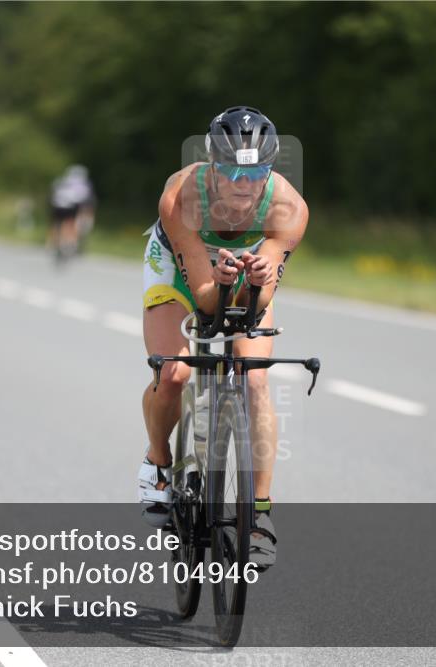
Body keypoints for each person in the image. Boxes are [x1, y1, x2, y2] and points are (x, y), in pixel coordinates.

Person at [139, 106, 309, 569]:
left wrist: (256, 279)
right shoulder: (180, 198)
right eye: (231, 169)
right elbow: (205, 301)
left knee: (254, 379)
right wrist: (219, 278)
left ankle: (258, 513)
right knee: (172, 373)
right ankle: (157, 462)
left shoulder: (289, 209)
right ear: (212, 166)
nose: (243, 181)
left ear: (269, 169)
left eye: (255, 171)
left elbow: (254, 305)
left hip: (244, 274)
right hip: (180, 270)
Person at [48, 164, 95, 260]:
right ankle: (70, 244)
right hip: (71, 207)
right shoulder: (83, 184)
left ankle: (53, 244)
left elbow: (52, 193)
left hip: (57, 206)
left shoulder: (61, 180)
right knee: (70, 224)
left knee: (56, 224)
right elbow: (86, 199)